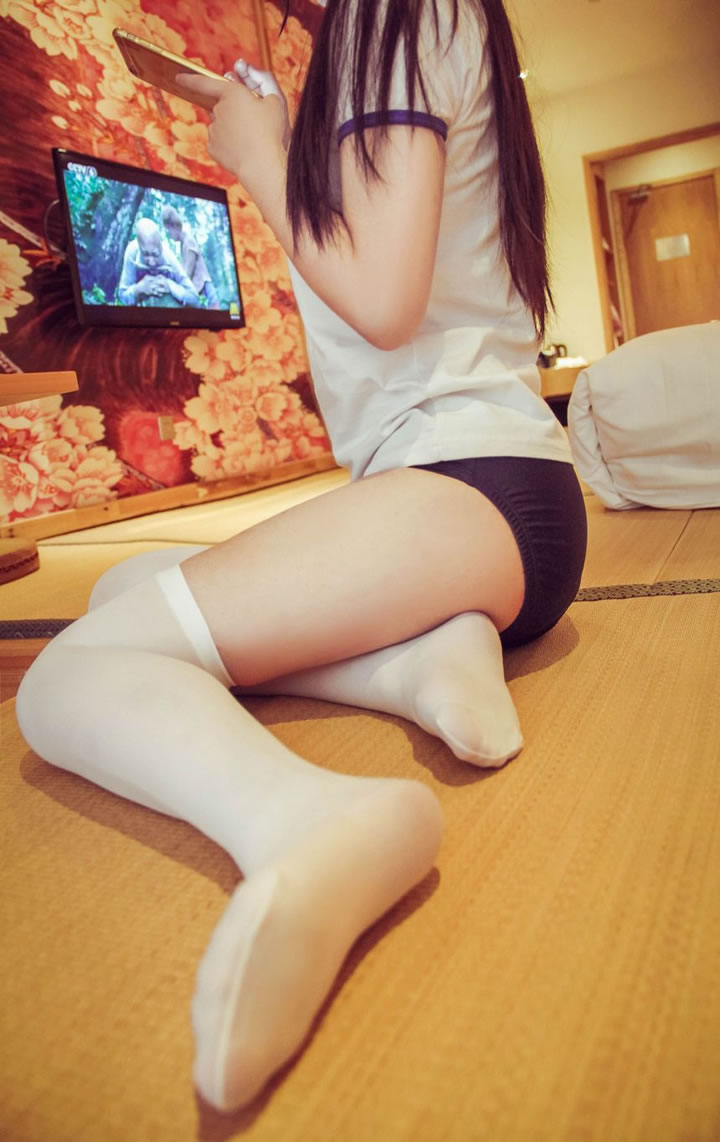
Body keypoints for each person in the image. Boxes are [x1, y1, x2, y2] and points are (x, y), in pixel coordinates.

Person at [16, 0, 587, 1115]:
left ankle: (305, 818)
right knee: (129, 585)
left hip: (467, 484)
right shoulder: (395, 29)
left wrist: (260, 156)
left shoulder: (392, 10)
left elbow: (382, 299)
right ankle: (423, 660)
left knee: (70, 677)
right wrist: (284, 131)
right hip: (485, 503)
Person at [117, 217, 201, 306]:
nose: (151, 262)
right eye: (145, 254)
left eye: (155, 254)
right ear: (139, 246)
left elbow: (194, 298)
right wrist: (138, 289)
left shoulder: (169, 257)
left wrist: (170, 286)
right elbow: (123, 296)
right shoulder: (132, 253)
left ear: (161, 246)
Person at [161, 205, 220, 308]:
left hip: (206, 291)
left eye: (168, 230)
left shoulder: (188, 242)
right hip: (200, 291)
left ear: (173, 226)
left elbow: (187, 274)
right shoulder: (183, 244)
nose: (169, 234)